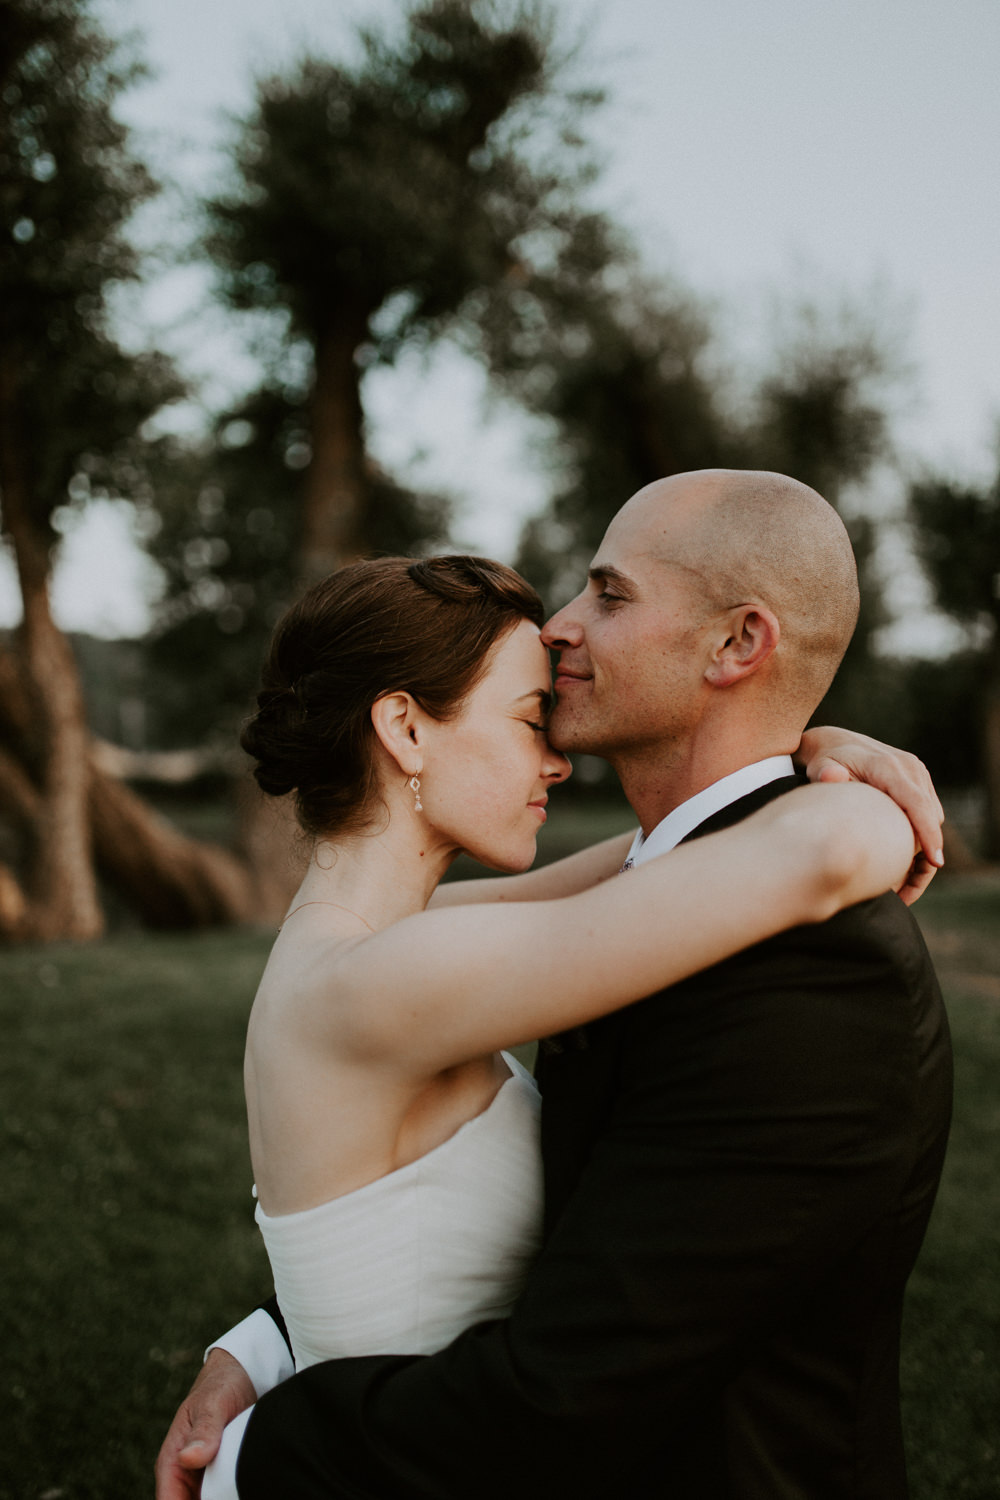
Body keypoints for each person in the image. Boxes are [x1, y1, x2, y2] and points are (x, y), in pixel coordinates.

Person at [157, 471, 950, 1500]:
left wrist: (814, 749)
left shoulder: (798, 973)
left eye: (608, 595)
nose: (567, 628)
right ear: (403, 732)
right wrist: (859, 810)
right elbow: (796, 854)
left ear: (737, 644)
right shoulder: (403, 964)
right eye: (525, 716)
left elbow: (647, 865)